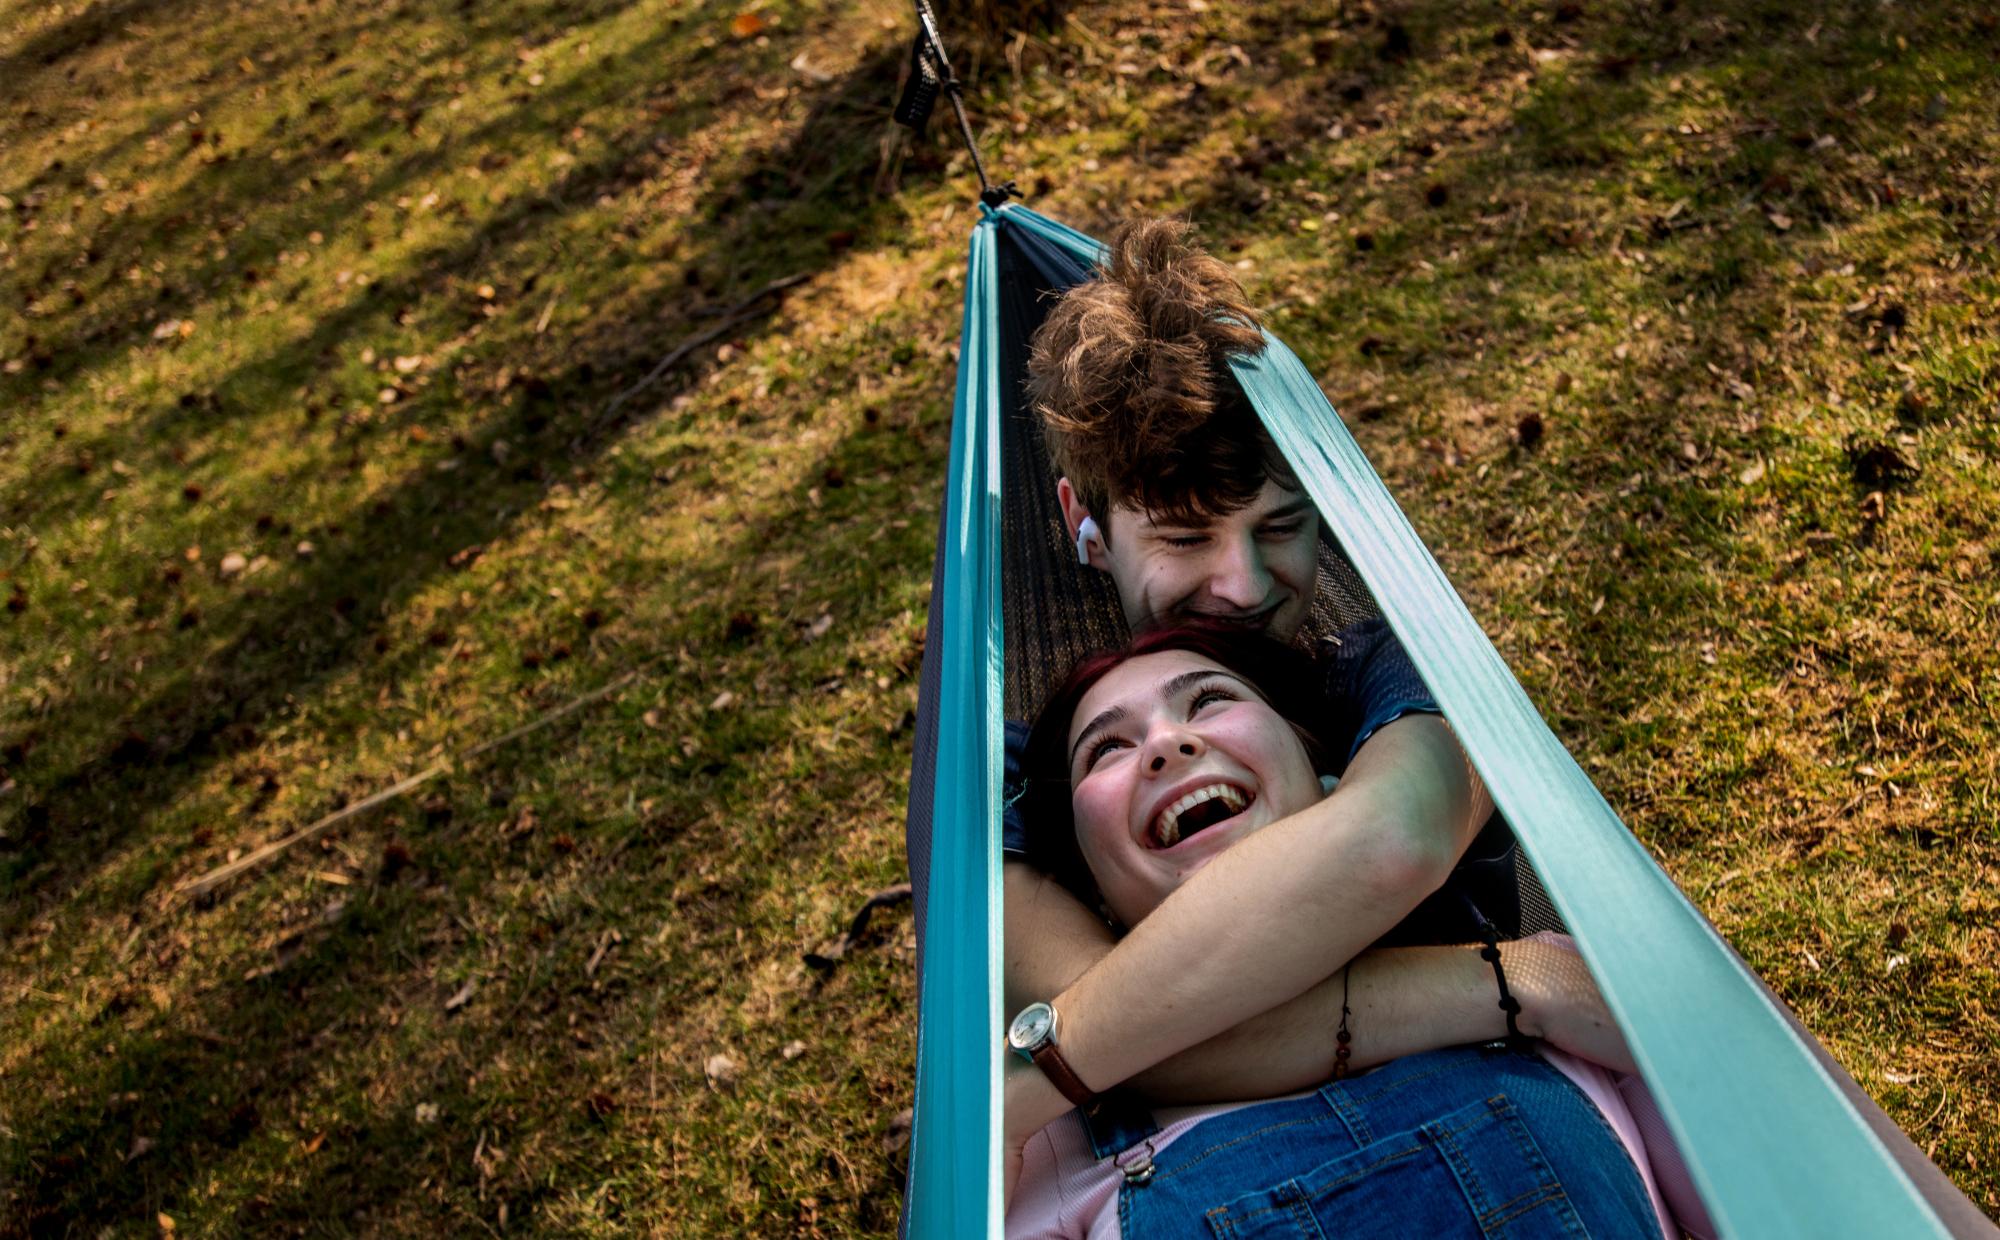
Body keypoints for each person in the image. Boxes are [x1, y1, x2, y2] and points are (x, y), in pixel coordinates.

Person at [1002, 217, 1512, 1143]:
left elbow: (1394, 841)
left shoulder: (1399, 663)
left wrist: (1045, 1080)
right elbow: (1111, 1025)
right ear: (1084, 521)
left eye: (1282, 527)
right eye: (1185, 537)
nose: (1244, 585)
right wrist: (1513, 987)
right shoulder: (1016, 762)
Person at [1003, 627, 1711, 1238]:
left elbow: (1801, 1174)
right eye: (1106, 751)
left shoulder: (1577, 988)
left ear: (1333, 780)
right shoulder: (1038, 1142)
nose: (1167, 745)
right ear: (1090, 891)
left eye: (1210, 700)